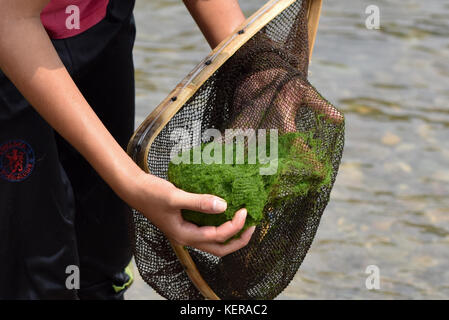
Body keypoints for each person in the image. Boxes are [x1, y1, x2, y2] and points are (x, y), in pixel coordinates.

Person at [0, 0, 255, 300]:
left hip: (102, 19)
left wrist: (253, 74)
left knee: (102, 258)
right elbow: (9, 18)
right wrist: (132, 183)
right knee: (32, 267)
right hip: (11, 38)